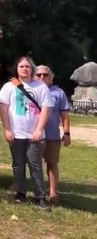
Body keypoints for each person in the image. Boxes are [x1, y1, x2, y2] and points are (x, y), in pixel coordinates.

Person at [0, 56, 53, 211]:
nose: (24, 69)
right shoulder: (9, 86)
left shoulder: (41, 87)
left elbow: (46, 109)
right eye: (21, 66)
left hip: (35, 135)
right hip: (16, 134)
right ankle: (21, 193)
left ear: (32, 69)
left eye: (27, 67)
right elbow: (3, 109)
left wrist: (38, 129)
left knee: (35, 166)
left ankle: (40, 197)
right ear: (17, 69)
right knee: (18, 165)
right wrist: (7, 129)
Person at [35, 65, 71, 203]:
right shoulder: (30, 91)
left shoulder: (58, 93)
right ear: (34, 76)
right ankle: (23, 188)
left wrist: (66, 133)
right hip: (33, 134)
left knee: (52, 163)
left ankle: (52, 192)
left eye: (45, 75)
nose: (42, 77)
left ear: (51, 77)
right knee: (31, 162)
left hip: (52, 135)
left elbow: (65, 116)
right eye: (39, 75)